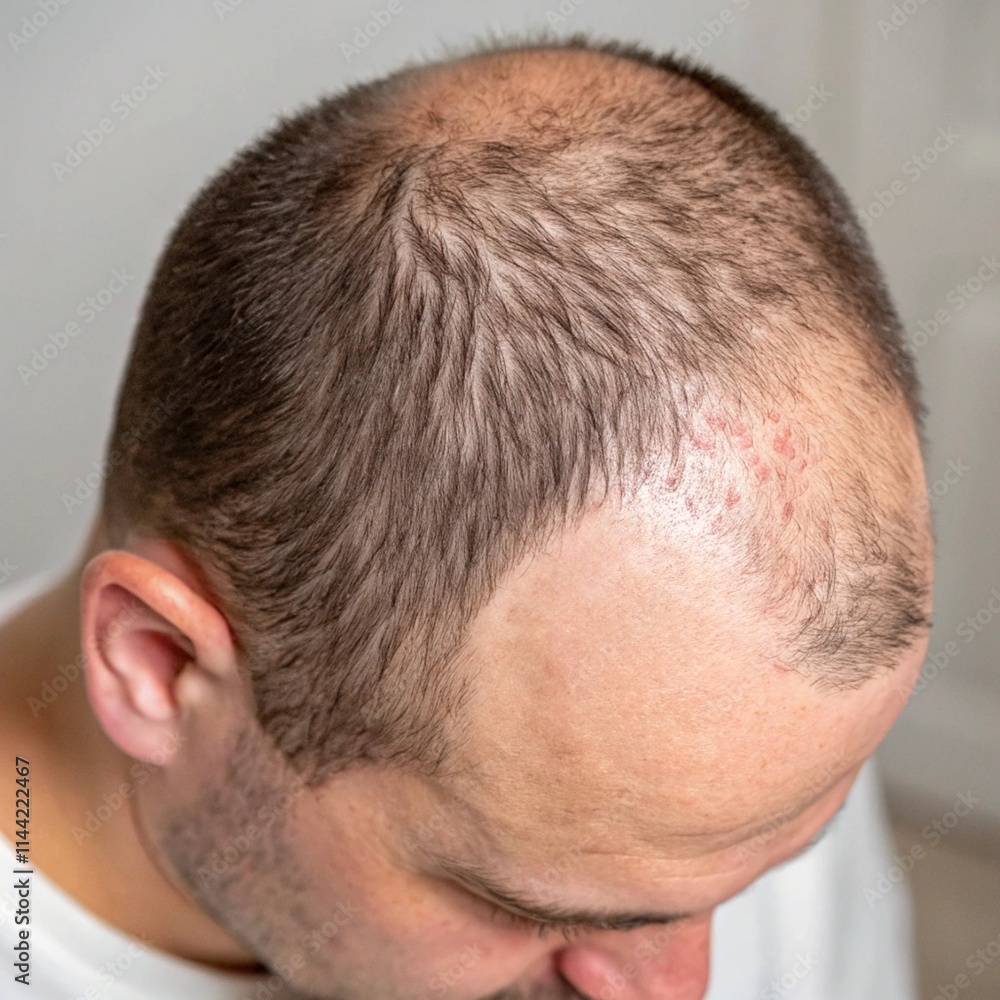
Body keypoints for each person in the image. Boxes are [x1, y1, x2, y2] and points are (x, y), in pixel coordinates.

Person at [0, 33, 933, 1000]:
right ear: (160, 665)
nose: (679, 988)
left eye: (780, 853)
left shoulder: (741, 740)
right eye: (538, 910)